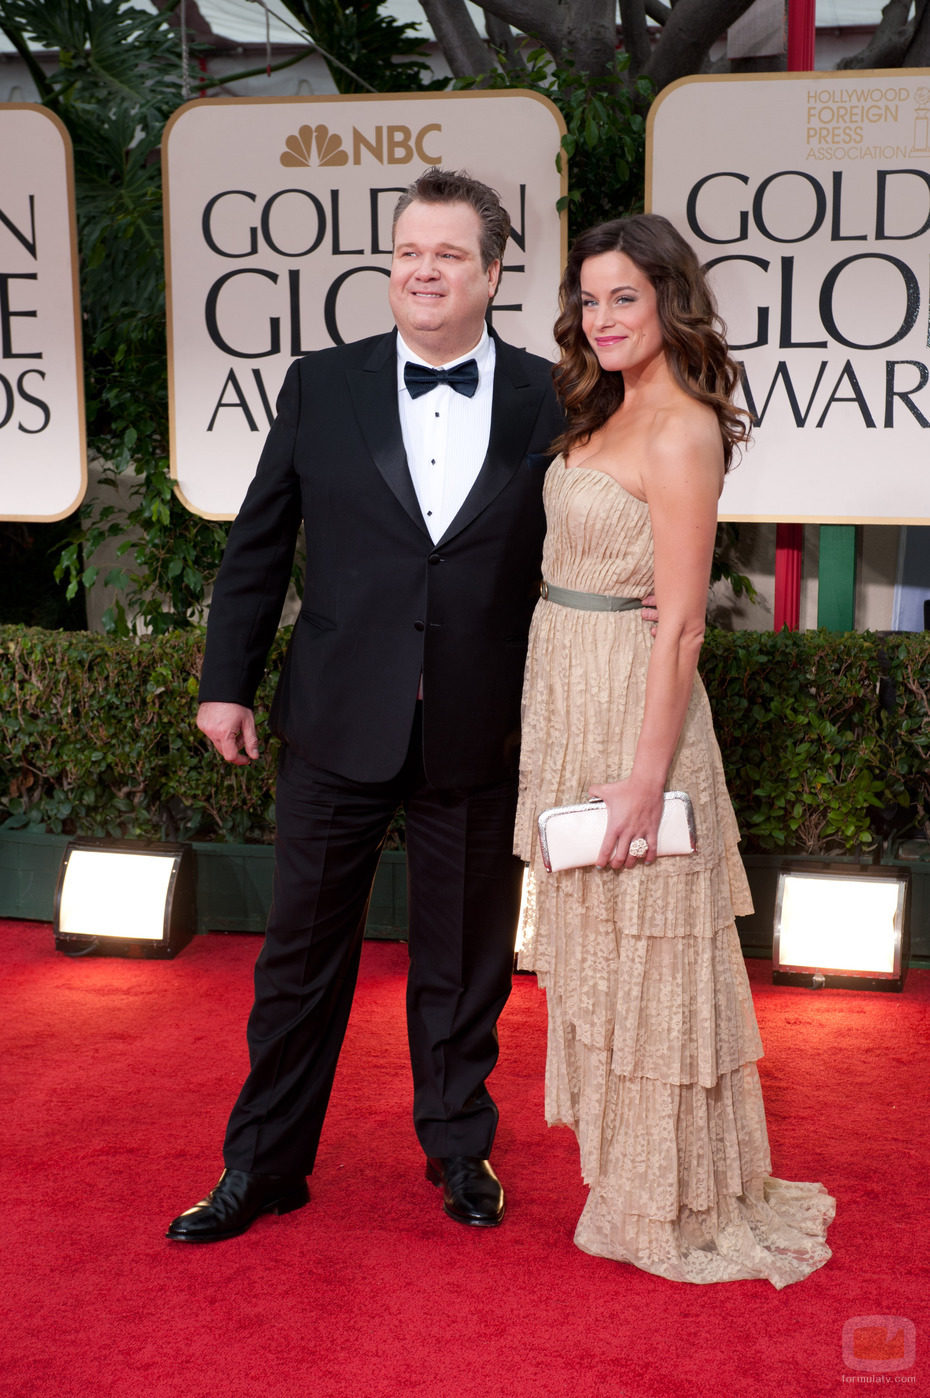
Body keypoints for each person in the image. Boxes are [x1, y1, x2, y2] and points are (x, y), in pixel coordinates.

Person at [166, 169, 568, 1243]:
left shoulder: (550, 395)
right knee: (299, 959)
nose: (420, 271)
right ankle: (263, 1166)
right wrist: (224, 684)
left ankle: (458, 1151)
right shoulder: (322, 384)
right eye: (406, 253)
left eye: (446, 254)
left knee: (465, 964)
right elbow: (259, 544)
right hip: (337, 719)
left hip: (478, 727)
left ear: (492, 272)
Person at [514, 214, 835, 1287]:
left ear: (668, 303)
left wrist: (648, 778)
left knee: (652, 951)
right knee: (600, 948)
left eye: (625, 299)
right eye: (590, 300)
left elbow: (687, 623)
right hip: (568, 683)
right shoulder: (600, 407)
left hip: (636, 710)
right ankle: (627, 1173)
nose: (603, 319)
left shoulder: (684, 426)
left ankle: (672, 1197)